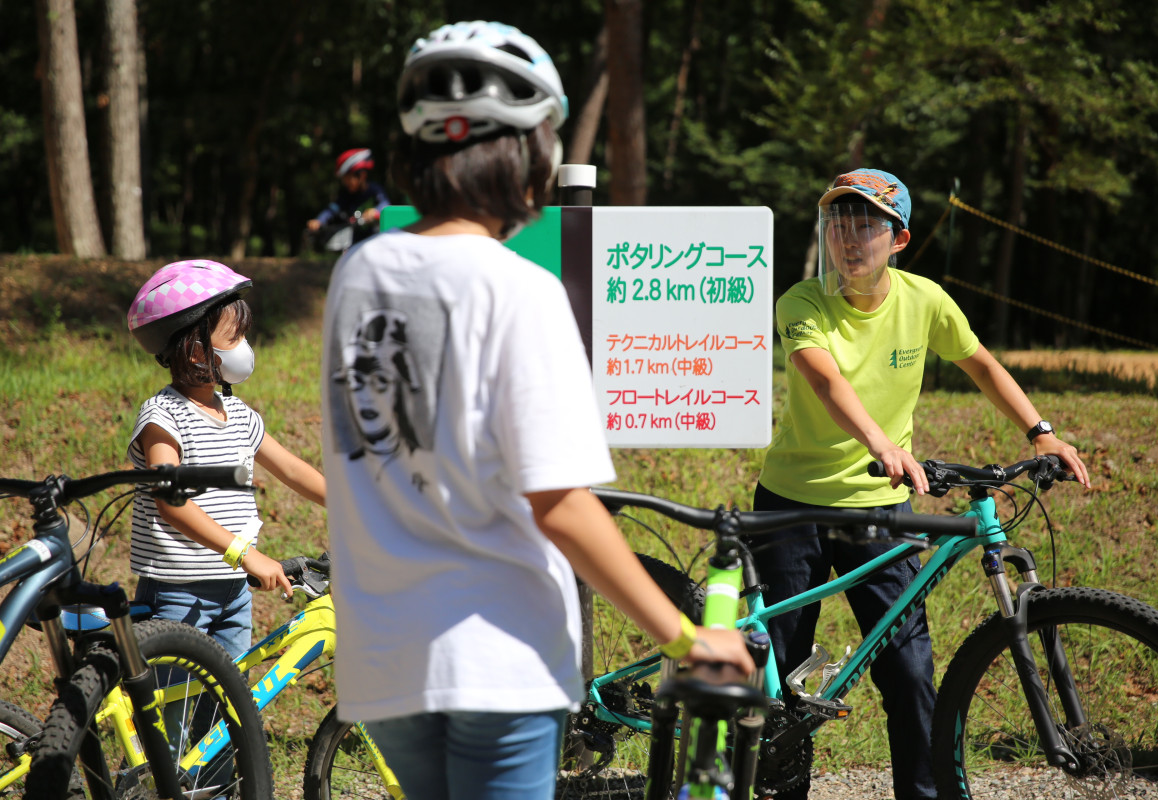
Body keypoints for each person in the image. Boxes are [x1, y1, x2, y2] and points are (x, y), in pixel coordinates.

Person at [320, 20, 753, 800]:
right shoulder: (517, 288)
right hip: (499, 659)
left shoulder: (359, 274)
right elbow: (559, 504)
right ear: (526, 155)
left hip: (383, 660)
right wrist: (688, 639)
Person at [754, 168, 1091, 800]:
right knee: (783, 679)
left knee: (909, 672)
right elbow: (827, 381)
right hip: (791, 507)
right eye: (839, 224)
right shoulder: (801, 301)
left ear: (900, 239)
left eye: (867, 226)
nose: (850, 239)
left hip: (883, 511)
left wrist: (1040, 431)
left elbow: (981, 363)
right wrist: (881, 442)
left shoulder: (925, 300)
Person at [127, 259, 327, 658]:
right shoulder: (163, 417)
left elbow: (290, 468)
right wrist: (245, 553)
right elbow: (170, 501)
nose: (245, 349)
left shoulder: (239, 415)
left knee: (223, 702)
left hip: (234, 591)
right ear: (198, 351)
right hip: (178, 594)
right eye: (234, 338)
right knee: (171, 709)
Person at [306, 147, 391, 239]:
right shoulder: (345, 196)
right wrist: (319, 221)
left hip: (375, 239)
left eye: (347, 178)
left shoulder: (375, 190)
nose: (344, 182)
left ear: (361, 176)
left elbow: (385, 204)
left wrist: (375, 211)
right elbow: (331, 210)